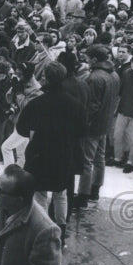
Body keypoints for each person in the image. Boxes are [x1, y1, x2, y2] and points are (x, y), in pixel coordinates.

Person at [14, 61, 84, 238]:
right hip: (64, 155)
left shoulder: (38, 103)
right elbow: (83, 131)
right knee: (61, 194)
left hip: (40, 155)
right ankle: (60, 228)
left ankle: (42, 229)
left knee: (40, 194)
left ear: (45, 77)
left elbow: (21, 127)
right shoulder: (74, 104)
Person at [74, 45, 120, 208]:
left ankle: (83, 195)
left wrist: (83, 123)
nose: (85, 60)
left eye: (87, 57)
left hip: (93, 126)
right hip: (105, 124)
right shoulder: (114, 74)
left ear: (94, 59)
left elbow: (91, 106)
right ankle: (95, 190)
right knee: (99, 159)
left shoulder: (94, 77)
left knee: (86, 161)